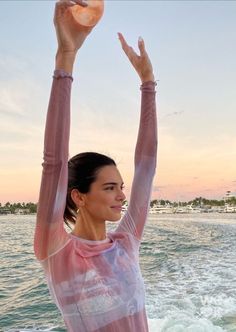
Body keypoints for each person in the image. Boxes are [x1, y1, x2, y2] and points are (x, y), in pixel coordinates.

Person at [34, 0, 157, 331]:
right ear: (78, 196)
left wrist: (148, 84)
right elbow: (54, 162)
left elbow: (146, 165)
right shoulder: (57, 251)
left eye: (120, 187)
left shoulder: (126, 242)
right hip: (66, 59)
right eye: (109, 187)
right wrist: (66, 57)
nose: (121, 196)